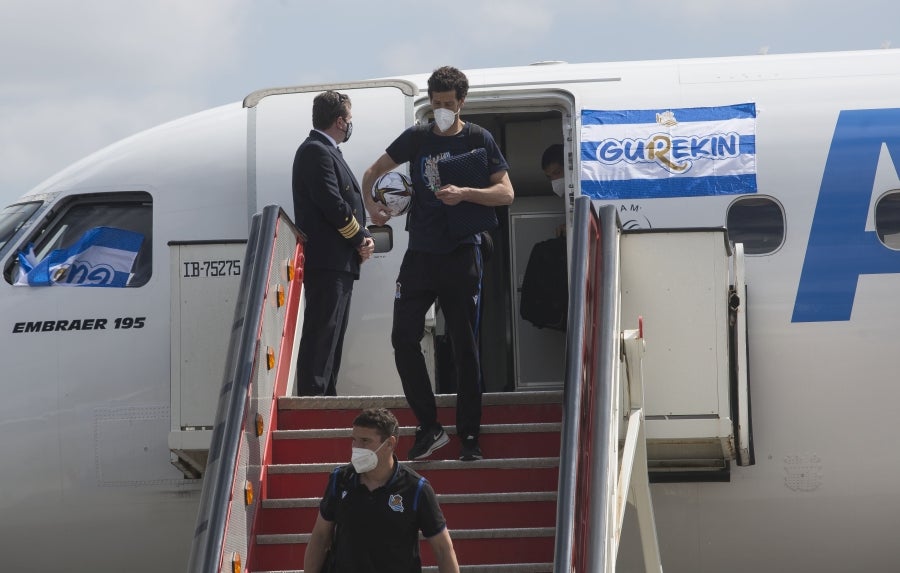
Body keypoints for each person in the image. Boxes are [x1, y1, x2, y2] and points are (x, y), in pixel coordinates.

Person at [361, 66, 514, 462]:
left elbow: (506, 194)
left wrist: (466, 193)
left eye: (448, 103)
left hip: (462, 251)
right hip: (421, 253)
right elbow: (372, 172)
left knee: (464, 346)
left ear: (461, 102)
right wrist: (373, 206)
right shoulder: (417, 136)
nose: (441, 110)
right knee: (403, 338)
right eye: (436, 103)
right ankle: (429, 426)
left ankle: (469, 437)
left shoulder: (479, 138)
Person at [303, 408, 460, 573]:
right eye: (354, 440)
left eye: (365, 441)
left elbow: (443, 549)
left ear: (390, 443)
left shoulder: (416, 488)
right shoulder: (340, 480)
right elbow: (320, 536)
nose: (356, 447)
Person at [292, 90, 375, 396]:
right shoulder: (315, 151)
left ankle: (326, 397)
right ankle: (314, 399)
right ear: (340, 121)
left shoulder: (328, 152)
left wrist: (361, 237)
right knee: (322, 333)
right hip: (328, 261)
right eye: (349, 119)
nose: (350, 125)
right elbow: (334, 205)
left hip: (339, 262)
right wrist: (359, 239)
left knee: (333, 335)